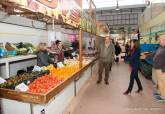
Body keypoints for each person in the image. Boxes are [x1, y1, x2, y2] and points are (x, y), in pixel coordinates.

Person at [141, 34, 165, 100]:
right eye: (159, 40)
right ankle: (160, 92)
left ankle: (163, 96)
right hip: (157, 68)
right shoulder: (161, 47)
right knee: (159, 81)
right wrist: (146, 56)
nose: (159, 41)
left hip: (162, 69)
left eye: (160, 40)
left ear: (164, 40)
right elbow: (154, 53)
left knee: (162, 82)